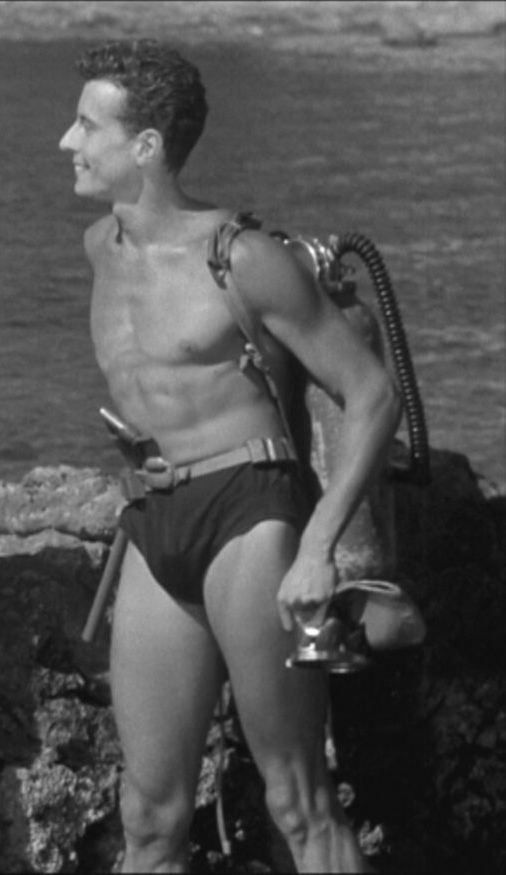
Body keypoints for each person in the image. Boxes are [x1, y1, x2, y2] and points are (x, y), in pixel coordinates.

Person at [58, 39, 400, 872]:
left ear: (146, 146)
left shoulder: (240, 257)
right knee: (148, 815)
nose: (67, 141)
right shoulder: (98, 245)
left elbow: (370, 395)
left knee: (298, 801)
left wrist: (316, 547)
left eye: (87, 126)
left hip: (250, 514)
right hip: (154, 516)